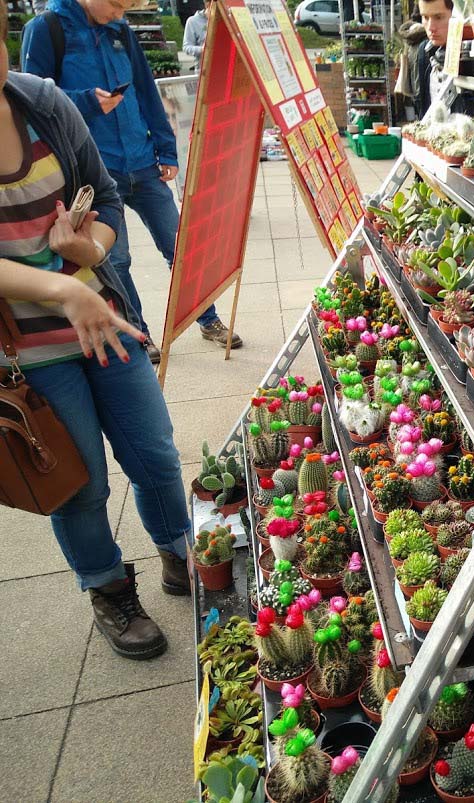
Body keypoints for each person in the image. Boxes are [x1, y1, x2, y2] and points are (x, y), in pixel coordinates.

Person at [0, 10, 189, 660]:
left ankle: (178, 549)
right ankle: (108, 587)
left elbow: (104, 197)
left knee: (157, 456)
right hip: (24, 356)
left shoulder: (42, 103)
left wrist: (90, 246)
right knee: (78, 486)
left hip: (104, 319)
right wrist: (62, 287)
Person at [21, 0, 243, 363]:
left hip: (141, 160)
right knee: (116, 259)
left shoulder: (119, 31)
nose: (121, 14)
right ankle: (140, 332)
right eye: (116, 5)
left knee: (181, 247)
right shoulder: (47, 29)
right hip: (95, 171)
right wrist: (86, 103)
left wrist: (166, 149)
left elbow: (145, 89)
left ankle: (208, 319)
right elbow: (35, 102)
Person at [182, 0, 211, 65]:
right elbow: (186, 47)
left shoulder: (226, 19)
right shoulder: (193, 21)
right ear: (206, 4)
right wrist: (202, 49)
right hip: (202, 69)